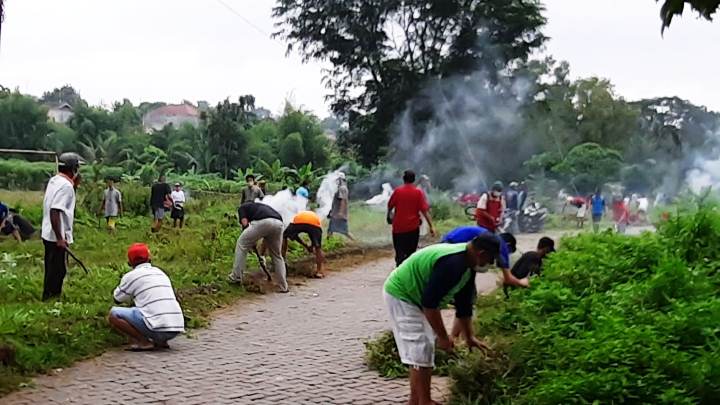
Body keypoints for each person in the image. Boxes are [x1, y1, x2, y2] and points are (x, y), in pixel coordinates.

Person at [383, 234, 504, 405]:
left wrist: (469, 337)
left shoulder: (467, 266)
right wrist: (443, 337)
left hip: (417, 297)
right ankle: (425, 402)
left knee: (423, 350)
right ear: (481, 253)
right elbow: (430, 304)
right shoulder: (453, 264)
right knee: (422, 347)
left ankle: (415, 401)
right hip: (402, 294)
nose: (490, 264)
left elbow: (464, 306)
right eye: (490, 259)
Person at [109, 243, 184, 351]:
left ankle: (143, 342)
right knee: (153, 307)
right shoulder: (160, 273)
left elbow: (117, 298)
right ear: (149, 258)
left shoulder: (132, 276)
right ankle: (161, 341)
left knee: (114, 314)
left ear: (129, 262)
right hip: (176, 326)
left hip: (156, 327)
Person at [41, 152, 82, 300]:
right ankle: (52, 297)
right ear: (73, 169)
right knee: (58, 270)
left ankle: (48, 295)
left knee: (51, 268)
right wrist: (60, 238)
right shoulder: (66, 187)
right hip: (55, 235)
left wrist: (74, 185)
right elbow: (55, 210)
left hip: (47, 232)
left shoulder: (55, 180)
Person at [229, 202, 288, 292]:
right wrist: (253, 241)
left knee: (242, 244)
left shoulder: (242, 208)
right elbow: (265, 237)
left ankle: (236, 277)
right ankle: (283, 286)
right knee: (276, 255)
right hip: (279, 223)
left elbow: (245, 225)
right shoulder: (260, 207)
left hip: (263, 222)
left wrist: (250, 240)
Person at [387, 170, 436, 266]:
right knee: (411, 254)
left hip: (398, 228)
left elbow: (390, 206)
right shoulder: (418, 193)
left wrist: (389, 216)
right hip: (412, 229)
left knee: (399, 254)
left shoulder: (398, 191)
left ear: (403, 179)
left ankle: (399, 272)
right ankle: (408, 274)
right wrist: (431, 226)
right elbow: (425, 211)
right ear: (414, 180)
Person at [283, 210, 325, 278]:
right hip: (314, 223)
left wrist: (305, 245)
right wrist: (311, 246)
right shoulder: (316, 219)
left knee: (284, 236)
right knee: (318, 248)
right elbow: (314, 240)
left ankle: (282, 260)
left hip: (298, 222)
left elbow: (294, 236)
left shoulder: (299, 215)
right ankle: (319, 271)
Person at [327, 172, 353, 240]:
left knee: (345, 232)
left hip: (338, 215)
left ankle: (357, 243)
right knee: (330, 230)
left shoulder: (342, 188)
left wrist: (340, 213)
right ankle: (329, 242)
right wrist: (331, 212)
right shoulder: (340, 188)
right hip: (335, 214)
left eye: (338, 180)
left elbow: (343, 201)